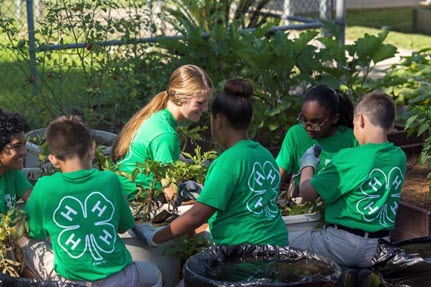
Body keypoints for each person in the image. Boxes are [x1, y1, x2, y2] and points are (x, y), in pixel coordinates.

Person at [138, 78, 288, 247]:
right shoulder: (265, 155)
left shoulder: (228, 161)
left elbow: (196, 216)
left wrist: (154, 237)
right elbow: (249, 198)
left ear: (218, 120)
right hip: (278, 243)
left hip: (245, 254)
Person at [23, 116, 162, 287]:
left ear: (53, 160)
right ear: (91, 150)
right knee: (155, 274)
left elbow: (33, 232)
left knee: (25, 244)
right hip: (120, 277)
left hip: (70, 281)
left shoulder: (44, 186)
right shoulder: (111, 180)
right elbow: (123, 227)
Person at [289, 91, 407, 268]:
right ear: (389, 126)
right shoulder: (399, 157)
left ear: (360, 120)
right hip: (381, 245)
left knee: (280, 239)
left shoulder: (348, 157)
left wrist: (308, 165)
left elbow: (306, 193)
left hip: (343, 244)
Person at [111, 64, 214, 203]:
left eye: (207, 103)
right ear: (178, 96)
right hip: (137, 200)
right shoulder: (165, 135)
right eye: (200, 103)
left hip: (121, 193)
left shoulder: (157, 116)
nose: (206, 109)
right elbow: (171, 195)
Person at [276, 85, 357, 192]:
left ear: (334, 119)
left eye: (316, 122)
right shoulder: (295, 134)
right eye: (304, 120)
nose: (308, 127)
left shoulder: (351, 138)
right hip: (301, 198)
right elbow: (278, 174)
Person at [0, 109, 32, 215]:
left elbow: (35, 202)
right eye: (16, 147)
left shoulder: (12, 172)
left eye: (24, 145)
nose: (24, 152)